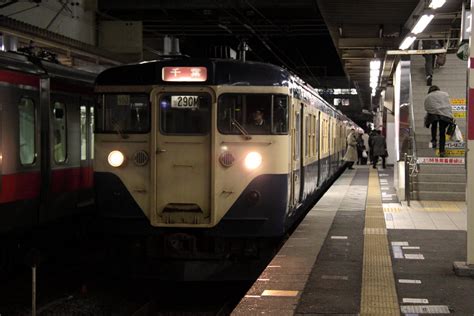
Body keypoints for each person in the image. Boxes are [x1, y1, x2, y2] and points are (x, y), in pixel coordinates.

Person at [424, 85, 453, 157]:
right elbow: (448, 104)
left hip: (433, 114)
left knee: (434, 124)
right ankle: (442, 151)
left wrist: (434, 110)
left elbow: (426, 107)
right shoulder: (445, 94)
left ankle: (434, 140)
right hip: (445, 114)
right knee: (442, 133)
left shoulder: (428, 96)